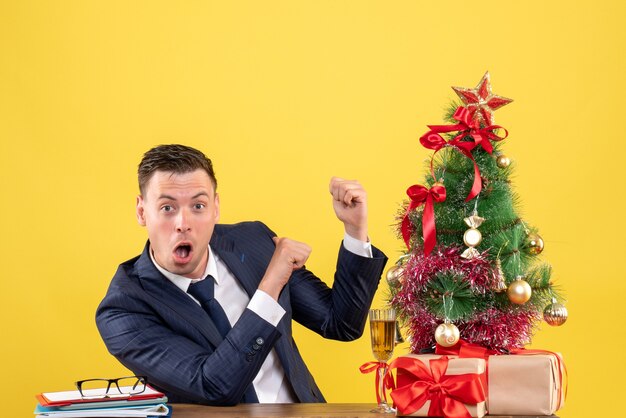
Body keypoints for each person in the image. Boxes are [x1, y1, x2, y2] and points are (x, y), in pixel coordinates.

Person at [96, 144, 387, 405]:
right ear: (142, 211)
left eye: (198, 206)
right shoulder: (123, 309)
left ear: (216, 207)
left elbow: (340, 324)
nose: (183, 223)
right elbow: (213, 386)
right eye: (167, 208)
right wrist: (271, 284)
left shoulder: (253, 242)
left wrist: (355, 231)